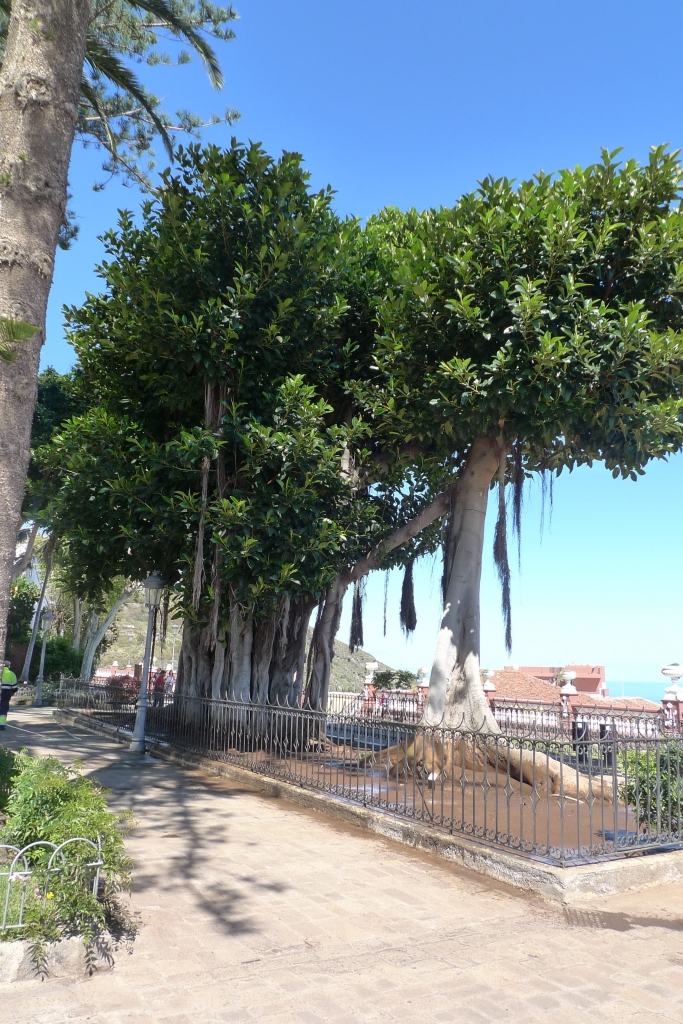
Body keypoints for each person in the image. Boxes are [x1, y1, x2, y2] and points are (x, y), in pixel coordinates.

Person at [0, 660, 18, 730]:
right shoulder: (11, 674)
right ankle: (1, 725)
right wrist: (12, 692)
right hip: (5, 694)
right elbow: (14, 688)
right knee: (3, 709)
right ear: (9, 666)